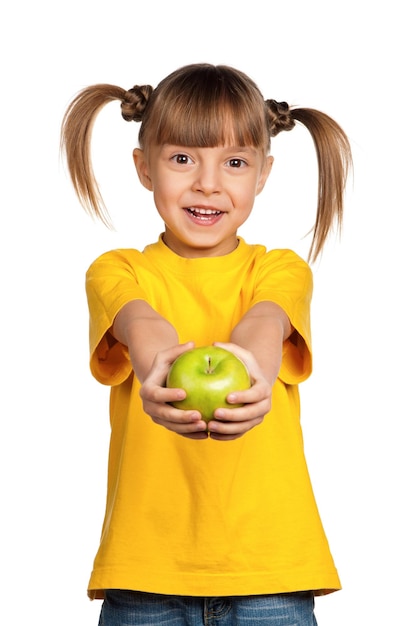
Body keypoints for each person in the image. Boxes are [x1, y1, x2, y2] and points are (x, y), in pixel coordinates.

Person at [61, 63, 352, 626]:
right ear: (144, 168)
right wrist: (160, 370)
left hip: (271, 575)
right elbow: (143, 326)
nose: (208, 183)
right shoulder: (117, 271)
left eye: (235, 163)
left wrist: (251, 371)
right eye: (182, 158)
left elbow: (265, 324)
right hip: (146, 577)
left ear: (264, 174)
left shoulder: (279, 270)